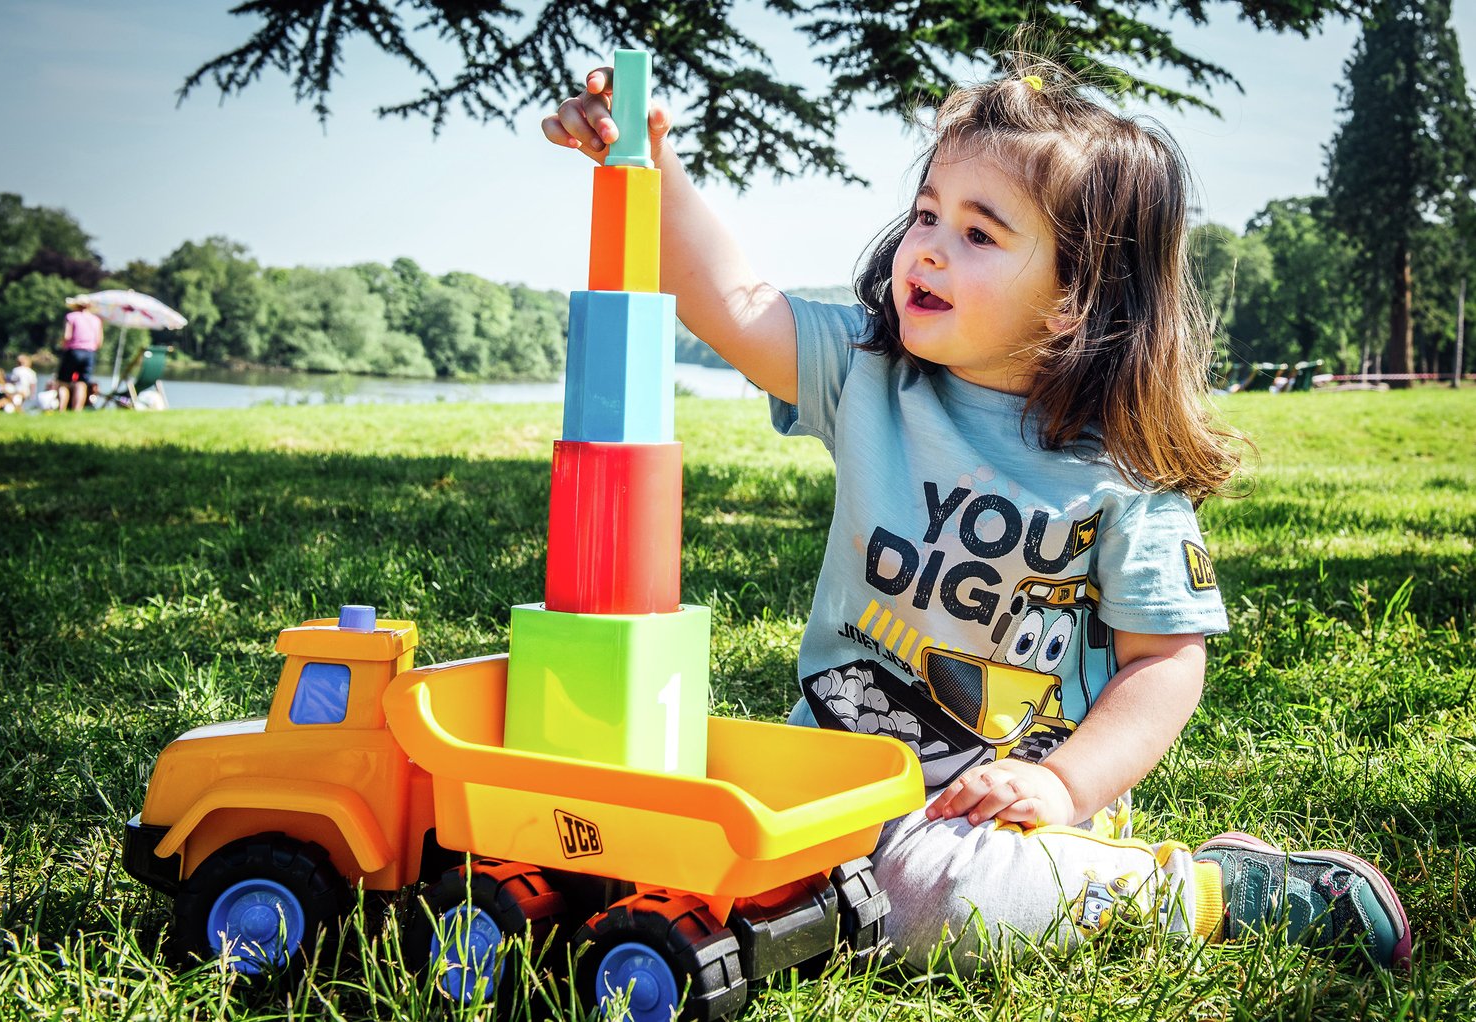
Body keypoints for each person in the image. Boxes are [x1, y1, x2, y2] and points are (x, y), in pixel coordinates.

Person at [542, 55, 1410, 971]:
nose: (925, 247)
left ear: (1082, 291)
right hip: (825, 781)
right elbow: (730, 304)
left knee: (930, 897)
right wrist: (641, 160)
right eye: (926, 214)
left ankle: (1212, 892)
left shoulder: (1118, 469)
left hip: (999, 811)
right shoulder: (870, 373)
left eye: (978, 234)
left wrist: (1062, 784)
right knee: (690, 810)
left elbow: (1164, 661)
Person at [58, 298, 103, 410]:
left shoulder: (71, 316)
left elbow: (66, 336)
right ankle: (77, 410)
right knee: (82, 383)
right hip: (89, 353)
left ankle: (61, 409)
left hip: (73, 351)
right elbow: (99, 341)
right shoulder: (96, 320)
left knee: (64, 382)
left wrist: (63, 346)